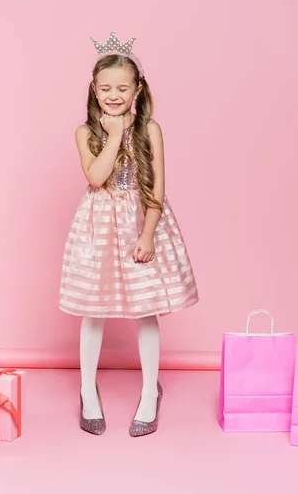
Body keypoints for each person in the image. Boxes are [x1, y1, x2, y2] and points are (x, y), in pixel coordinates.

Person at [59, 31, 199, 436]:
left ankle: (150, 392)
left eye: (122, 88)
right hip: (98, 228)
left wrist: (148, 235)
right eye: (105, 88)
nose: (114, 95)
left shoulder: (151, 129)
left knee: (145, 309)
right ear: (93, 89)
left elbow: (157, 188)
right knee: (93, 310)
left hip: (140, 223)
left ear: (138, 88)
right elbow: (97, 176)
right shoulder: (85, 132)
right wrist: (115, 133)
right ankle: (88, 390)